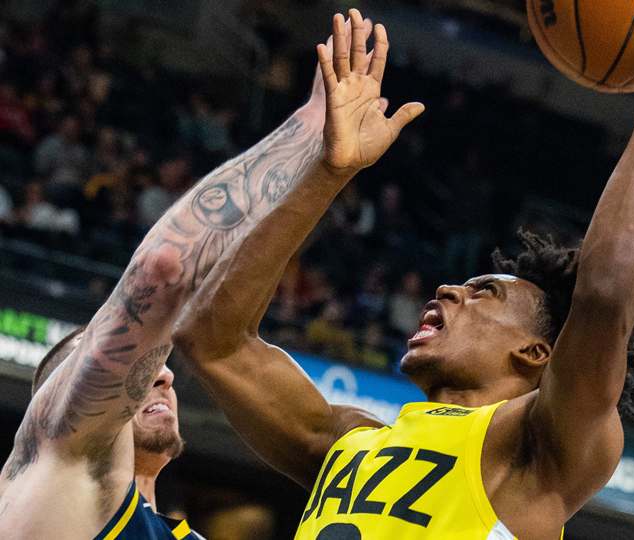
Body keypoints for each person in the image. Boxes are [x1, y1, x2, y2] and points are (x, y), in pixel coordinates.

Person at [173, 4, 634, 540]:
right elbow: (212, 340)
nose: (447, 290)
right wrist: (328, 171)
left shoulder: (539, 447)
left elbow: (605, 296)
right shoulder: (344, 442)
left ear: (535, 352)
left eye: (485, 292)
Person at [0, 23, 372, 539]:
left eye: (159, 363)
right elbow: (165, 266)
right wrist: (313, 130)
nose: (164, 374)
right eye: (105, 357)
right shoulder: (56, 465)